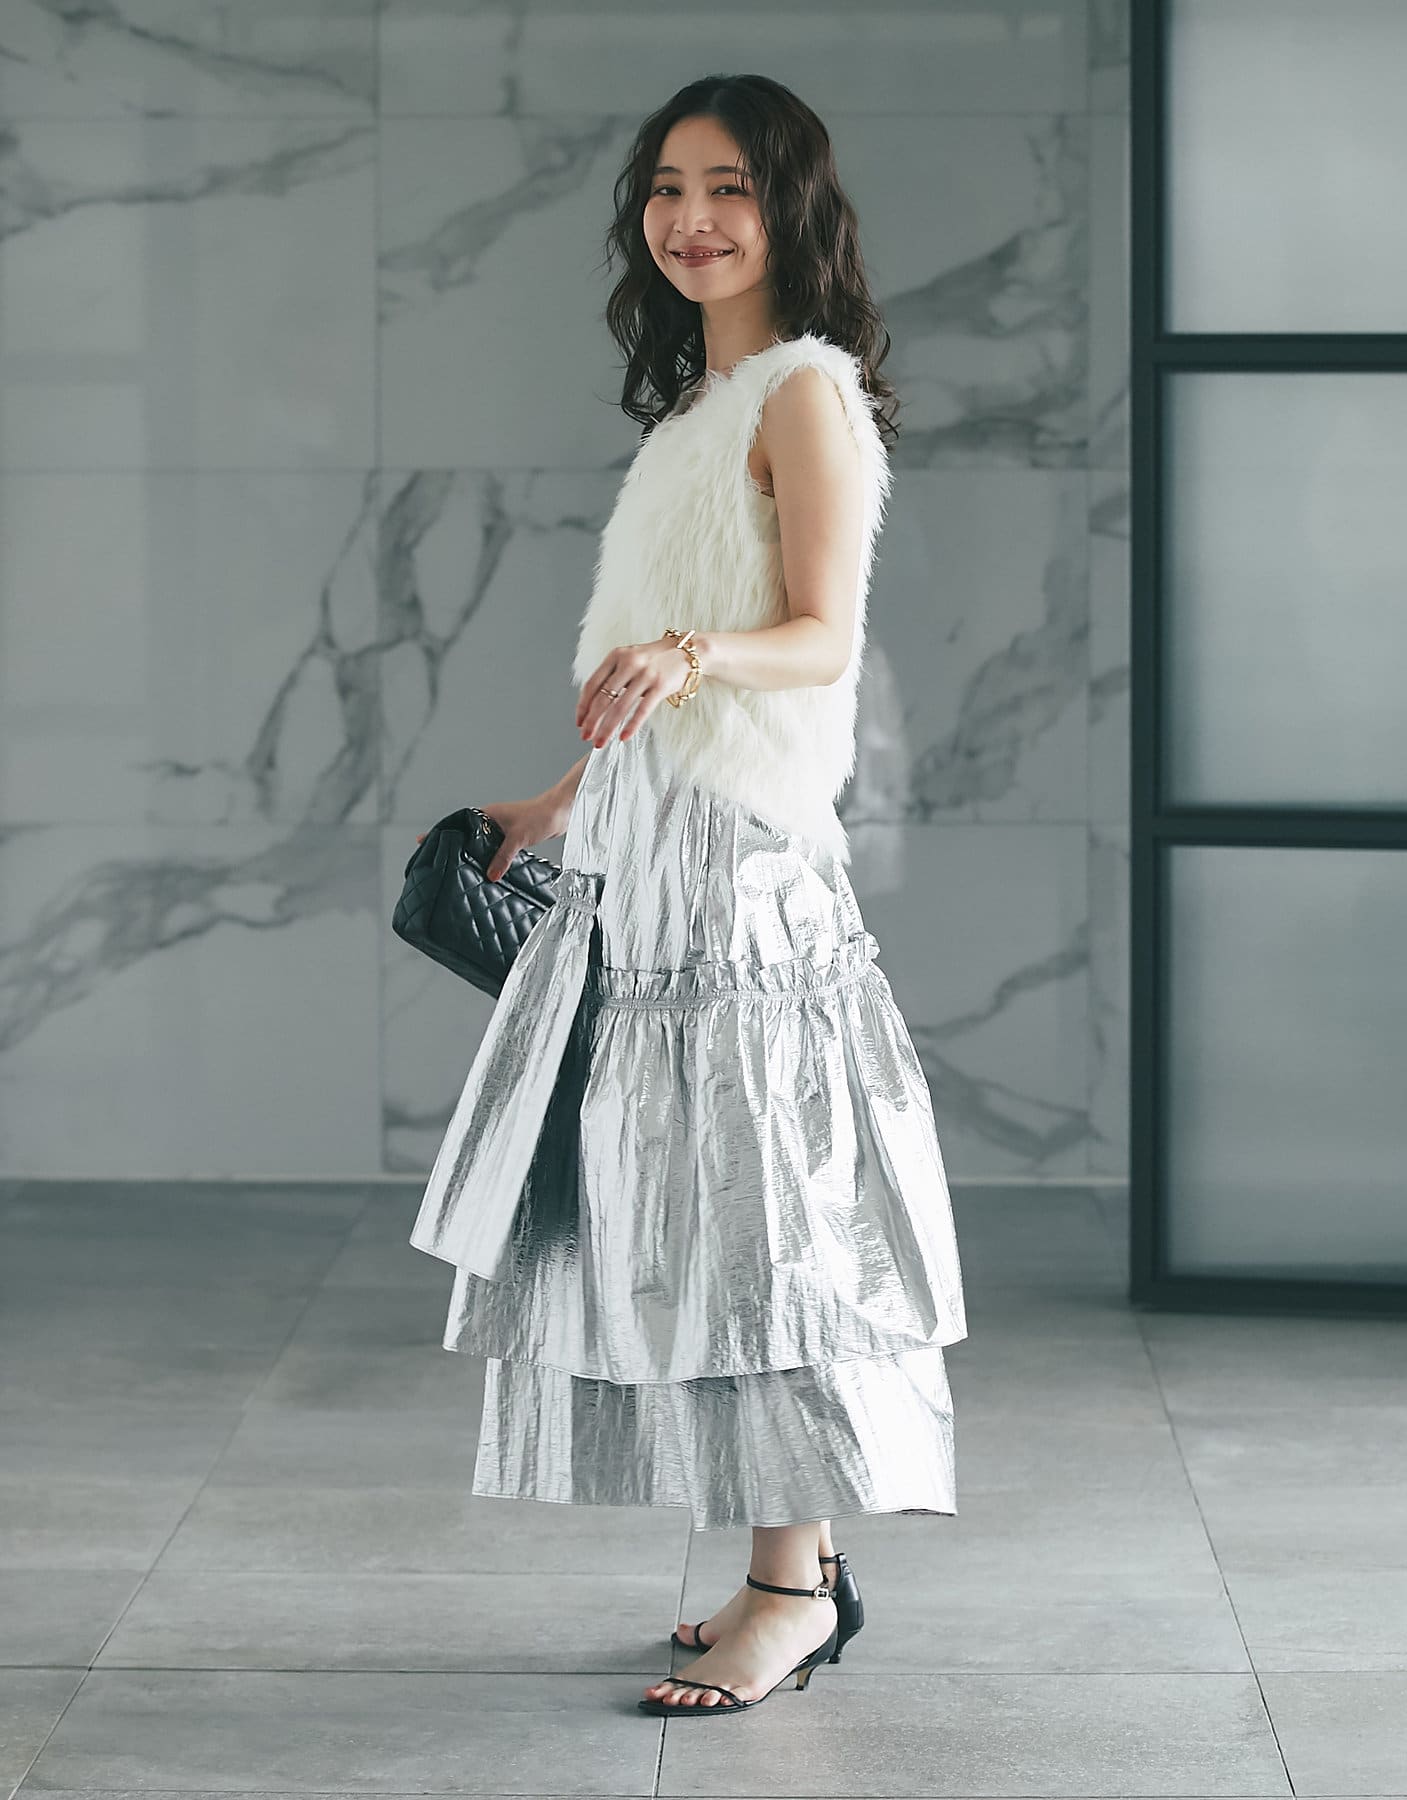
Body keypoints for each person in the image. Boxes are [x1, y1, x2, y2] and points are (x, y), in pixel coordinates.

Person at [408, 73, 967, 1718]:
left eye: (728, 186)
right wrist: (560, 799)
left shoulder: (806, 394)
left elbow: (820, 641)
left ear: (790, 209)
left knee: (760, 1221)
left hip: (740, 886)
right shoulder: (698, 416)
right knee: (702, 1223)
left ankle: (790, 1592)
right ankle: (796, 1574)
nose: (691, 218)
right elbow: (665, 682)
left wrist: (690, 651)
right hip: (652, 864)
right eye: (666, 187)